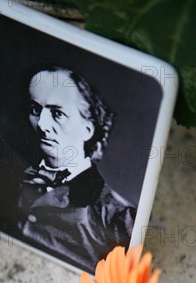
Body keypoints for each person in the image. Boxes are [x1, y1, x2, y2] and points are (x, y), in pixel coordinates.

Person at [17, 66, 136, 272]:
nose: (42, 125)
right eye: (36, 110)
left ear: (87, 129)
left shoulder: (117, 215)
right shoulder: (15, 175)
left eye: (57, 113)